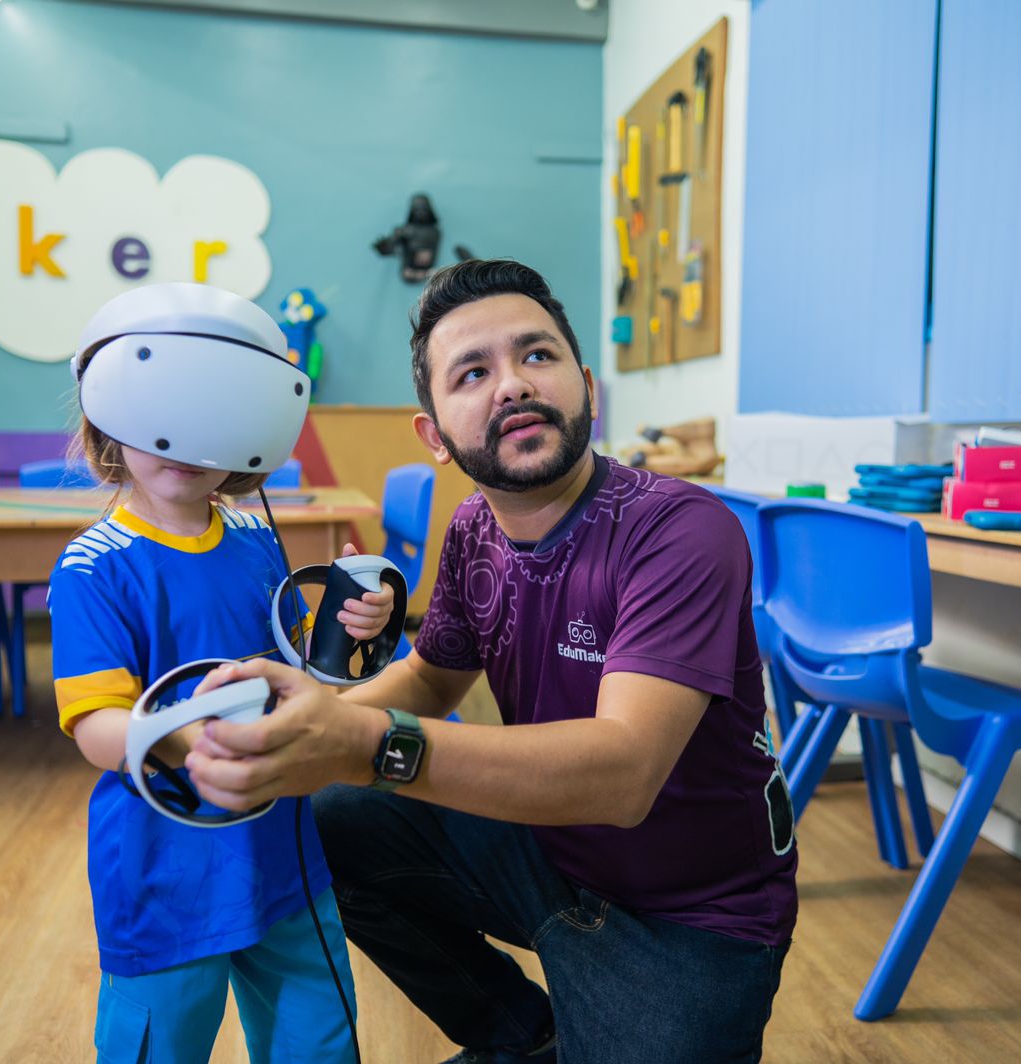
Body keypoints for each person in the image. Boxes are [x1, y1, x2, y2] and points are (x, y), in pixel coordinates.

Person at [186, 260, 798, 1064]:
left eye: (536, 357)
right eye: (473, 373)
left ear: (585, 386)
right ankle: (523, 1037)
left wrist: (361, 743)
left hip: (691, 917)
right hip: (547, 853)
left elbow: (622, 774)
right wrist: (317, 718)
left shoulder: (680, 530)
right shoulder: (476, 528)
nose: (511, 384)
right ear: (434, 435)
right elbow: (435, 679)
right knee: (336, 816)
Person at [49, 282, 395, 1064]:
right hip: (165, 871)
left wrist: (353, 630)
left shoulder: (255, 544)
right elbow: (98, 728)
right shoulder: (94, 567)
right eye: (161, 416)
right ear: (110, 417)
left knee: (318, 1041)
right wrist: (188, 734)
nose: (184, 441)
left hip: (284, 859)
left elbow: (304, 679)